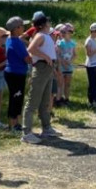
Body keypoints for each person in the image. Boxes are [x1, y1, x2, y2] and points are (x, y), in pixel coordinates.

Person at [21, 13, 62, 144]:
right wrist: (45, 57)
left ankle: (46, 128)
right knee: (33, 100)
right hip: (41, 68)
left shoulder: (46, 36)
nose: (49, 23)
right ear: (43, 24)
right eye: (47, 21)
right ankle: (26, 132)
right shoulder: (39, 35)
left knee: (45, 100)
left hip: (48, 69)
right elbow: (31, 48)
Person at [4, 16, 31, 134]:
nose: (24, 28)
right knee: (16, 98)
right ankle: (14, 125)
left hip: (11, 72)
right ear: (16, 29)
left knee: (14, 98)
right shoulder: (17, 43)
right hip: (17, 73)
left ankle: (14, 123)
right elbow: (27, 59)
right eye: (22, 26)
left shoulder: (9, 39)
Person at [56, 23, 77, 105]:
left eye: (65, 32)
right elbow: (58, 54)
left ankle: (67, 98)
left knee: (67, 84)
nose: (63, 34)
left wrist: (70, 61)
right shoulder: (60, 43)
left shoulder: (73, 43)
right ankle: (59, 99)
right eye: (62, 32)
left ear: (70, 33)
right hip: (61, 66)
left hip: (69, 66)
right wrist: (63, 62)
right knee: (60, 84)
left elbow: (75, 54)